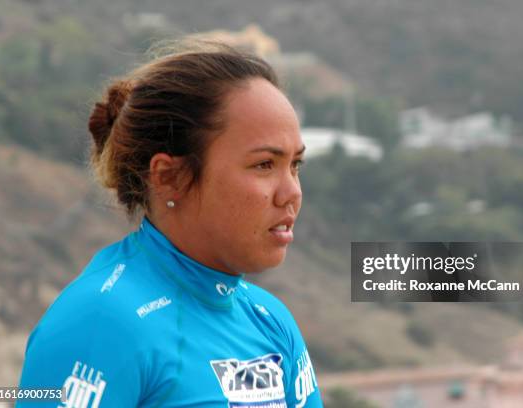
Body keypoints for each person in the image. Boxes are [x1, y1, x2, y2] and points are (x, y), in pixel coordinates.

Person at [17, 39, 323, 408]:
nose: (291, 192)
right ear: (169, 176)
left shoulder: (271, 321)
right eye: (264, 165)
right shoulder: (98, 323)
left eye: (295, 166)